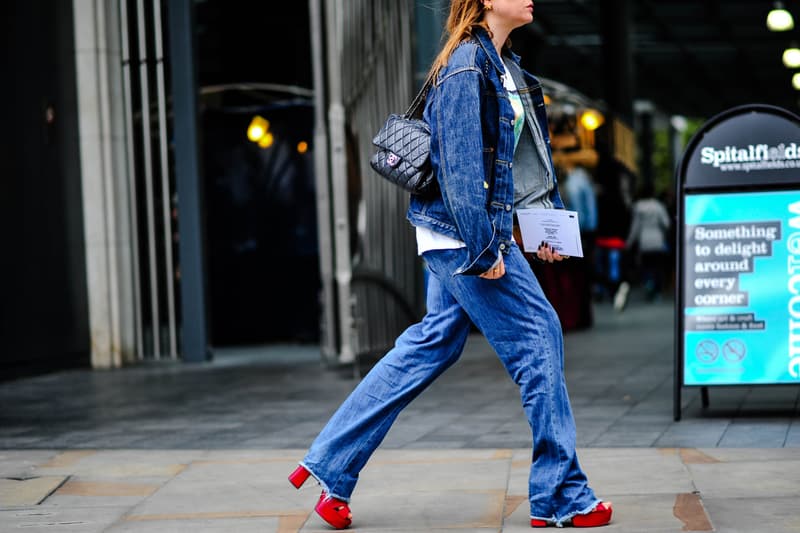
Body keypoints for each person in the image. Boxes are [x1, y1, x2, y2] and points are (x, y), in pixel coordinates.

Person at [287, 0, 612, 528]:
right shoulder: (464, 65)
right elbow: (461, 173)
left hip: (469, 234)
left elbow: (526, 170)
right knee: (540, 334)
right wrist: (486, 252)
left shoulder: (515, 72)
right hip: (465, 236)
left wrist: (546, 228)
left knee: (432, 343)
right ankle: (560, 496)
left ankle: (327, 467)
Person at [625, 181, 672, 301]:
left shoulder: (638, 207)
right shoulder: (658, 206)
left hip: (644, 242)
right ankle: (656, 292)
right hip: (657, 241)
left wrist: (629, 243)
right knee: (657, 268)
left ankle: (648, 285)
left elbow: (635, 228)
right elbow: (667, 224)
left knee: (646, 267)